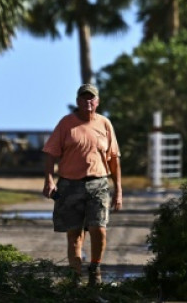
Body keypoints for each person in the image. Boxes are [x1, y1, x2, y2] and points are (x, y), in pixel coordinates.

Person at [42, 83, 123, 286]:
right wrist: (49, 179)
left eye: (91, 98)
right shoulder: (66, 124)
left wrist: (119, 190)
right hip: (70, 185)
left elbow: (114, 159)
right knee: (75, 235)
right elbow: (51, 153)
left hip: (99, 183)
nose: (88, 101)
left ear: (97, 102)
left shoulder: (104, 124)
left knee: (99, 228)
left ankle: (95, 269)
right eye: (84, 98)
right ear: (78, 101)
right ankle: (75, 277)